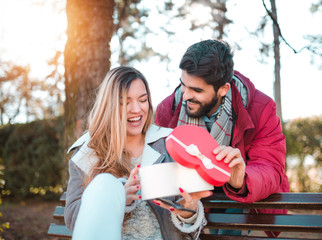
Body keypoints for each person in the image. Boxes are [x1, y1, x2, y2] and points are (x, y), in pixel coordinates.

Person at [155, 39, 290, 237]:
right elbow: (159, 165)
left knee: (231, 218)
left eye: (197, 90)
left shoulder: (261, 108)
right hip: (191, 199)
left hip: (237, 198)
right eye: (184, 85)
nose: (185, 96)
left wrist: (241, 179)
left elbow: (271, 167)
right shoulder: (168, 109)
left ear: (223, 89)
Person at [64, 66, 212, 240]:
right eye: (124, 102)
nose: (136, 109)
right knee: (105, 184)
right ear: (108, 106)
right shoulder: (88, 153)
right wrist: (118, 201)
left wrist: (188, 212)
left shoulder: (168, 145)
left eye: (143, 100)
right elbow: (75, 222)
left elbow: (191, 230)